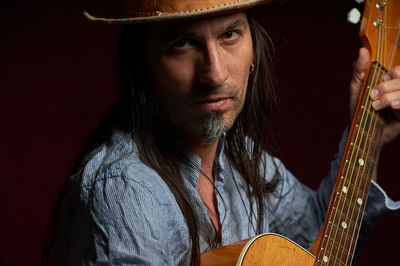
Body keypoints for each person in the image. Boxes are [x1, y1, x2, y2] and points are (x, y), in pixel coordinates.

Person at [43, 0, 400, 265]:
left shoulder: (242, 159)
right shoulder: (125, 191)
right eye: (182, 44)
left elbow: (319, 233)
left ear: (253, 50)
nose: (214, 74)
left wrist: (368, 132)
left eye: (230, 34)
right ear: (142, 65)